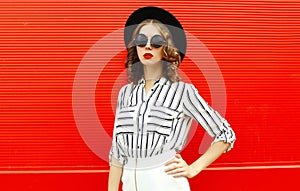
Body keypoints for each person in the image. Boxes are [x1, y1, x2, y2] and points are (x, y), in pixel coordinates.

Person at [108, 6, 236, 191]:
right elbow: (117, 152)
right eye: (141, 40)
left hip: (165, 181)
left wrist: (194, 168)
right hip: (129, 182)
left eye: (157, 41)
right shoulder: (125, 93)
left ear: (166, 48)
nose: (148, 46)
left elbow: (225, 133)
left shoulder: (183, 92)